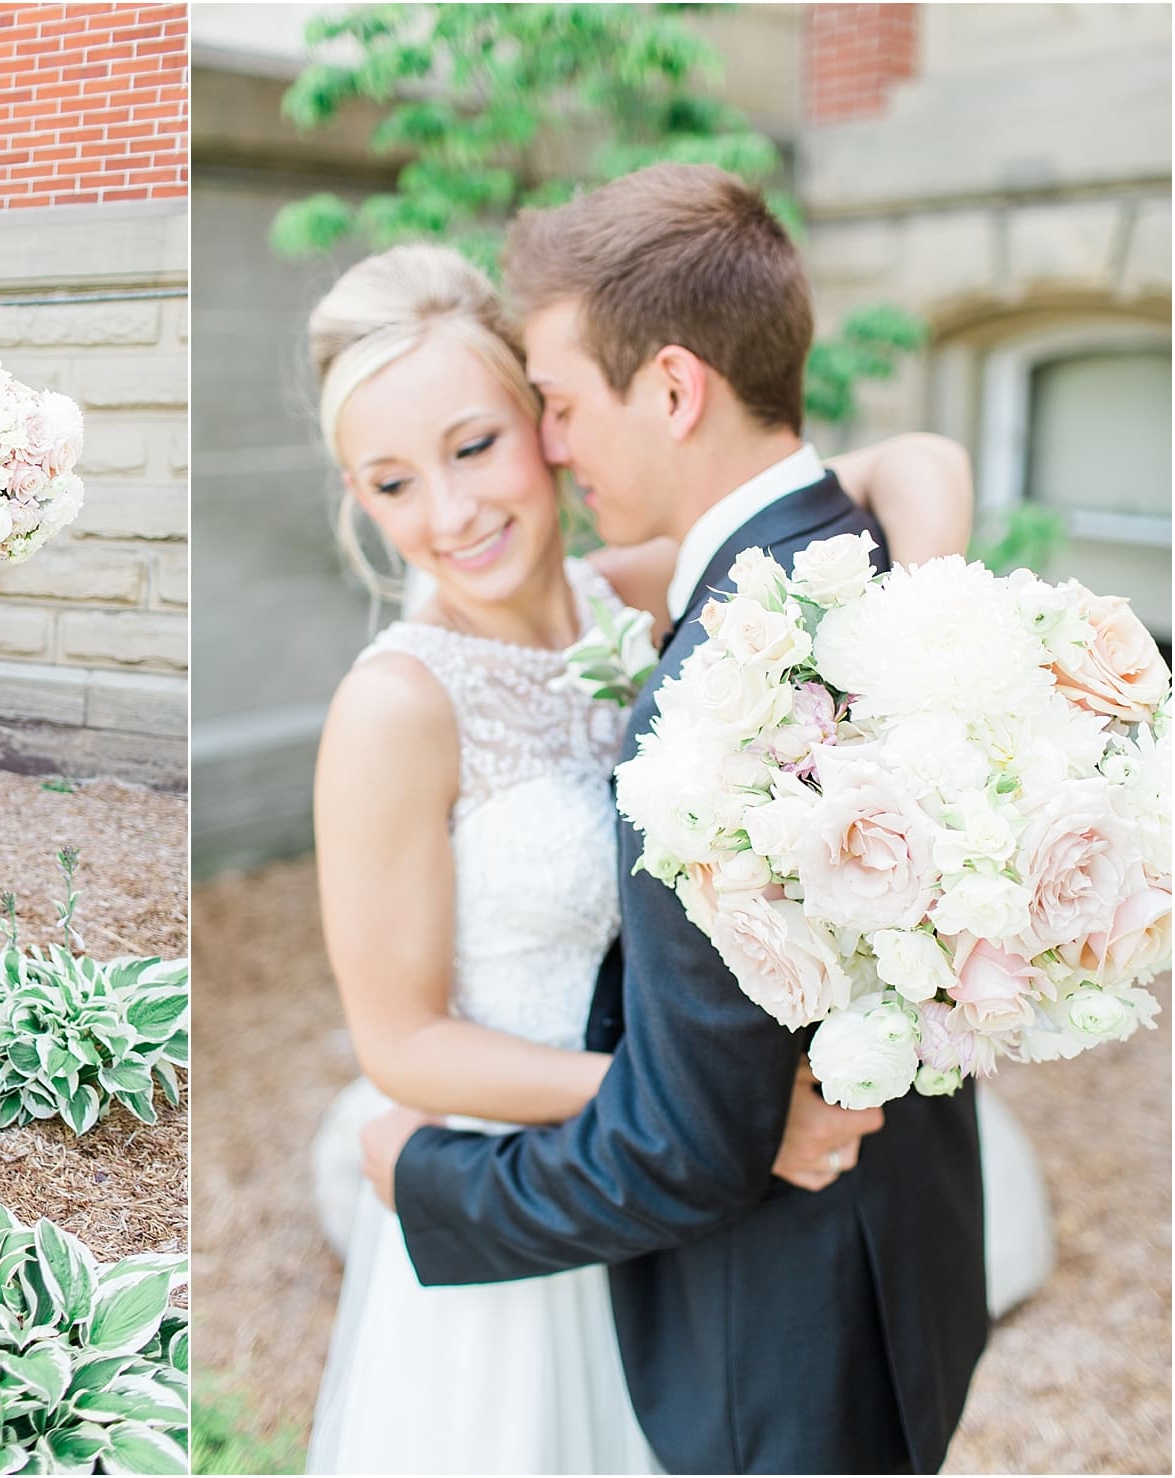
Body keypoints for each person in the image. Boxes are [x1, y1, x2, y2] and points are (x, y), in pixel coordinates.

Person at [311, 172, 994, 1477]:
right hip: (570, 1169)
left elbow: (900, 461)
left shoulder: (639, 595)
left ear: (541, 423)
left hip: (681, 1202)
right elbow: (397, 1039)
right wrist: (719, 1111)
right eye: (389, 484)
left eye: (479, 444)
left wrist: (922, 617)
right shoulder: (394, 705)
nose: (448, 515)